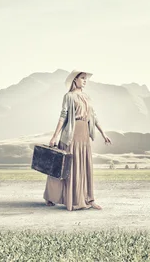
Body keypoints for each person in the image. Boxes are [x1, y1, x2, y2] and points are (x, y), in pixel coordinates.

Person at [43, 69, 112, 210]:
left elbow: (94, 116)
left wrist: (103, 133)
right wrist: (54, 136)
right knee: (63, 167)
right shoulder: (68, 96)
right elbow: (63, 116)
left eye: (86, 78)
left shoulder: (87, 97)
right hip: (71, 135)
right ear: (75, 79)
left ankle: (88, 199)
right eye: (82, 78)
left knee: (84, 167)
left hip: (84, 135)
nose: (85, 80)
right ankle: (50, 197)